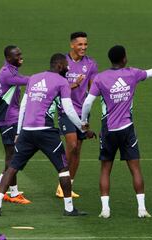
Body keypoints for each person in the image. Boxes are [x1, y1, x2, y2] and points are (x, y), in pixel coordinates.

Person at [0, 53, 88, 217]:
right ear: (58, 66)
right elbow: (69, 109)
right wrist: (83, 127)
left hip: (27, 132)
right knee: (63, 169)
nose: (68, 67)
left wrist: (19, 132)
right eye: (66, 65)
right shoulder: (62, 81)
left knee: (12, 167)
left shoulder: (34, 78)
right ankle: (69, 208)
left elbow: (23, 106)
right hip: (46, 132)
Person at [81, 45, 152, 218]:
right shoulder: (132, 73)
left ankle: (105, 210)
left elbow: (87, 103)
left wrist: (84, 123)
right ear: (124, 59)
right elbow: (151, 72)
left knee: (106, 169)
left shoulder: (100, 78)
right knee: (135, 168)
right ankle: (142, 209)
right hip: (127, 129)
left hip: (108, 130)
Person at [56, 32, 98, 198]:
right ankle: (62, 181)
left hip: (83, 111)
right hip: (66, 109)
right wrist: (74, 84)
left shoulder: (91, 64)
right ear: (72, 45)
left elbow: (93, 87)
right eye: (80, 44)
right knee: (72, 144)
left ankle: (68, 185)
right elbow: (57, 85)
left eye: (85, 44)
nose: (83, 47)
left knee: (78, 149)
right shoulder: (62, 62)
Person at [0, 45, 31, 204]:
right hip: (8, 118)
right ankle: (10, 192)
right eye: (17, 55)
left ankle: (5, 187)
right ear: (9, 58)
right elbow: (28, 81)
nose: (21, 57)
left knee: (13, 154)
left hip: (9, 117)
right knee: (13, 155)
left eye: (20, 53)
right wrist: (47, 78)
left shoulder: (10, 69)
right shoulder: (7, 73)